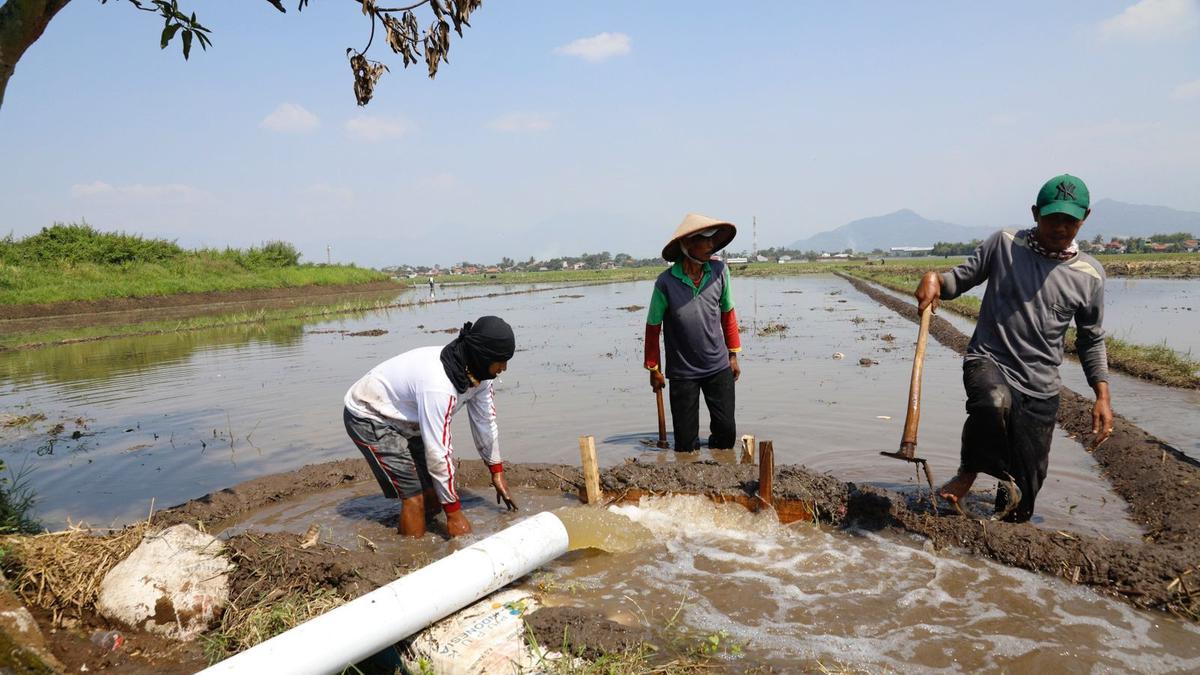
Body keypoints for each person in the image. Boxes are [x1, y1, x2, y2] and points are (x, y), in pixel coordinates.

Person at [916, 174, 1113, 522]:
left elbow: (1091, 339)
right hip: (990, 359)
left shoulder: (1090, 275)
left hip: (1041, 386)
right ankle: (968, 471)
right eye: (1052, 218)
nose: (1060, 227)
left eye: (1070, 220)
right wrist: (935, 280)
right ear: (1036, 213)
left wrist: (1102, 396)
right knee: (992, 402)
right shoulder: (1005, 244)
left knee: (1020, 503)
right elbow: (959, 279)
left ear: (1085, 218)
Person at [343, 316, 518, 538]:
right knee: (415, 498)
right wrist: (454, 515)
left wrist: (496, 471)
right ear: (483, 355)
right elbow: (438, 452)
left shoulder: (481, 374)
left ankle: (417, 534)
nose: (504, 368)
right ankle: (411, 560)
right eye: (501, 360)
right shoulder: (439, 386)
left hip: (410, 419)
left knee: (434, 498)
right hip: (370, 415)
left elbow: (485, 422)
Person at [644, 213, 742, 452]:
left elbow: (728, 314)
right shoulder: (665, 283)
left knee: (727, 434)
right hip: (683, 372)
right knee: (685, 446)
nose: (711, 245)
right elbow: (652, 328)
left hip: (717, 366)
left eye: (712, 240)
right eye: (704, 240)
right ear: (687, 245)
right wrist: (653, 369)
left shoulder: (719, 272)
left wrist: (733, 354)